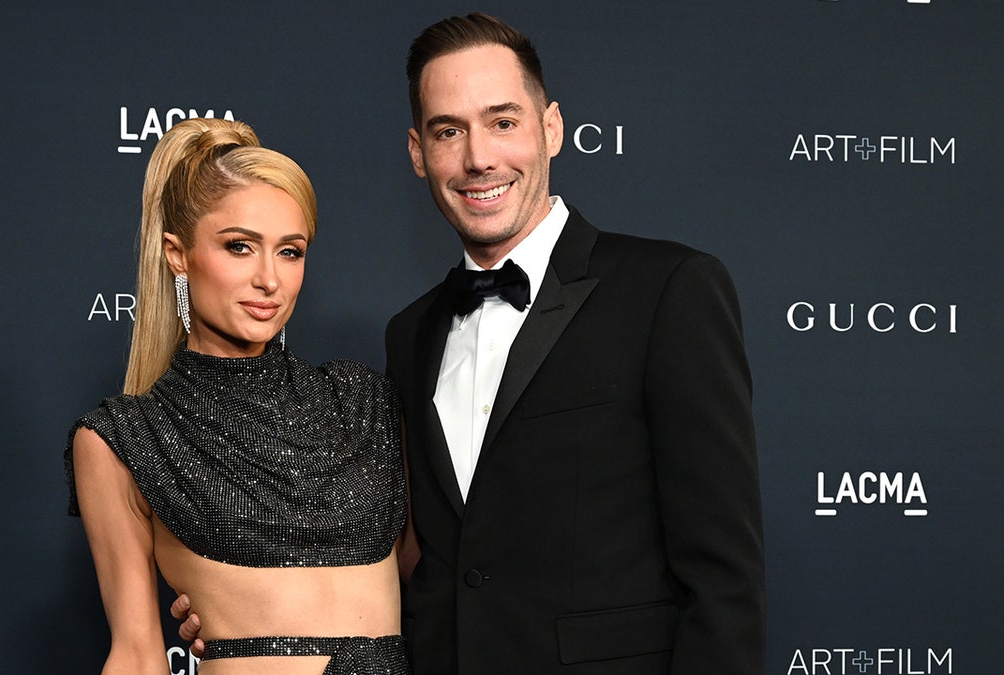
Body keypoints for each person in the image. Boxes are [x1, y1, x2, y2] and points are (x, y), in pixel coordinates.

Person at [175, 13, 764, 674]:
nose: (478, 156)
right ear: (417, 153)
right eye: (448, 130)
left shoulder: (667, 291)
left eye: (503, 121)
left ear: (552, 129)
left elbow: (724, 583)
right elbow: (400, 561)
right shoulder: (412, 334)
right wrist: (253, 601)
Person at [66, 117, 410, 675]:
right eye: (239, 247)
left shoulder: (362, 401)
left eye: (290, 252)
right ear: (177, 254)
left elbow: (439, 583)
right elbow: (137, 655)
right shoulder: (126, 438)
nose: (269, 280)